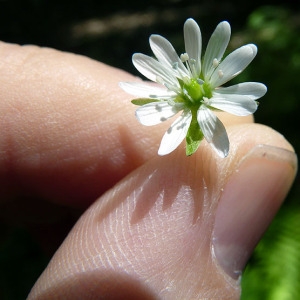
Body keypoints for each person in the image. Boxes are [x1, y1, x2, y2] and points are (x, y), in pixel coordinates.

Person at [0, 41, 297, 299]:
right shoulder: (185, 99)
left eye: (197, 85)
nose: (193, 87)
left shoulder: (207, 96)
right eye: (189, 85)